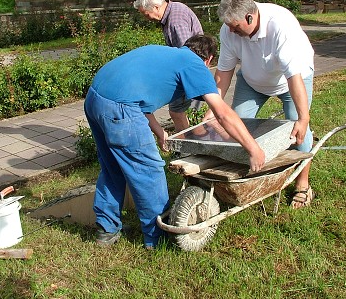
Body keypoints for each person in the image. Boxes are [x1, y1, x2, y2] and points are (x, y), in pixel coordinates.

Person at [84, 35, 265, 249]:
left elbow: (139, 97)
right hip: (120, 107)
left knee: (112, 165)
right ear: (209, 59)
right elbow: (222, 113)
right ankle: (157, 238)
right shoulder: (195, 64)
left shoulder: (165, 53)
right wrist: (253, 148)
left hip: (95, 98)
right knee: (148, 171)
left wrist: (160, 131)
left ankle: (107, 229)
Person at [212, 0, 316, 209]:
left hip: (291, 79)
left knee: (298, 131)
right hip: (252, 80)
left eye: (235, 26)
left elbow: (293, 76)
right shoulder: (229, 29)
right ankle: (238, 177)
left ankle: (302, 184)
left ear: (250, 17)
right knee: (236, 123)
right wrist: (213, 109)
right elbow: (223, 72)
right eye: (228, 26)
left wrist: (303, 118)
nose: (230, 30)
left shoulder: (280, 24)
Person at [133, 0, 203, 132]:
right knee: (189, 112)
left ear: (156, 7)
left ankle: (185, 148)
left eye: (146, 14)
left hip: (189, 71)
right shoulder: (173, 10)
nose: (147, 18)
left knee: (177, 111)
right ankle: (193, 142)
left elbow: (186, 56)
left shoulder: (175, 22)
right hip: (192, 69)